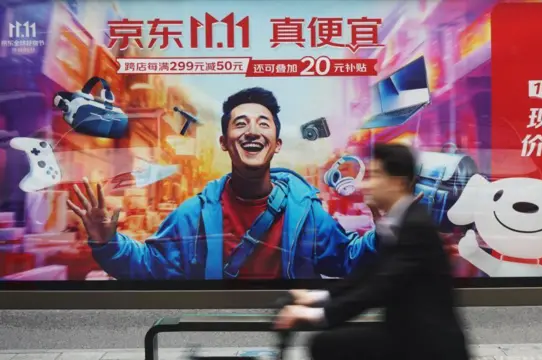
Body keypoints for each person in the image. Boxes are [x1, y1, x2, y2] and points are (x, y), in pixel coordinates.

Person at [67, 87, 379, 280]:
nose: (252, 131)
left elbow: (347, 260)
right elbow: (150, 266)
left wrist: (386, 232)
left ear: (277, 144)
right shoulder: (193, 215)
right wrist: (107, 243)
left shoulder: (306, 213)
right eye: (240, 124)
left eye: (263, 123)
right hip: (213, 332)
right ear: (224, 143)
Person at [274, 143, 469, 360]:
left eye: (375, 175)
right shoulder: (399, 220)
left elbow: (379, 287)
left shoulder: (415, 225)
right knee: (330, 343)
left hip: (429, 346)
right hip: (407, 334)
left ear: (398, 182)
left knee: (327, 344)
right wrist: (317, 297)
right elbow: (367, 274)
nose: (366, 184)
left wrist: (317, 314)